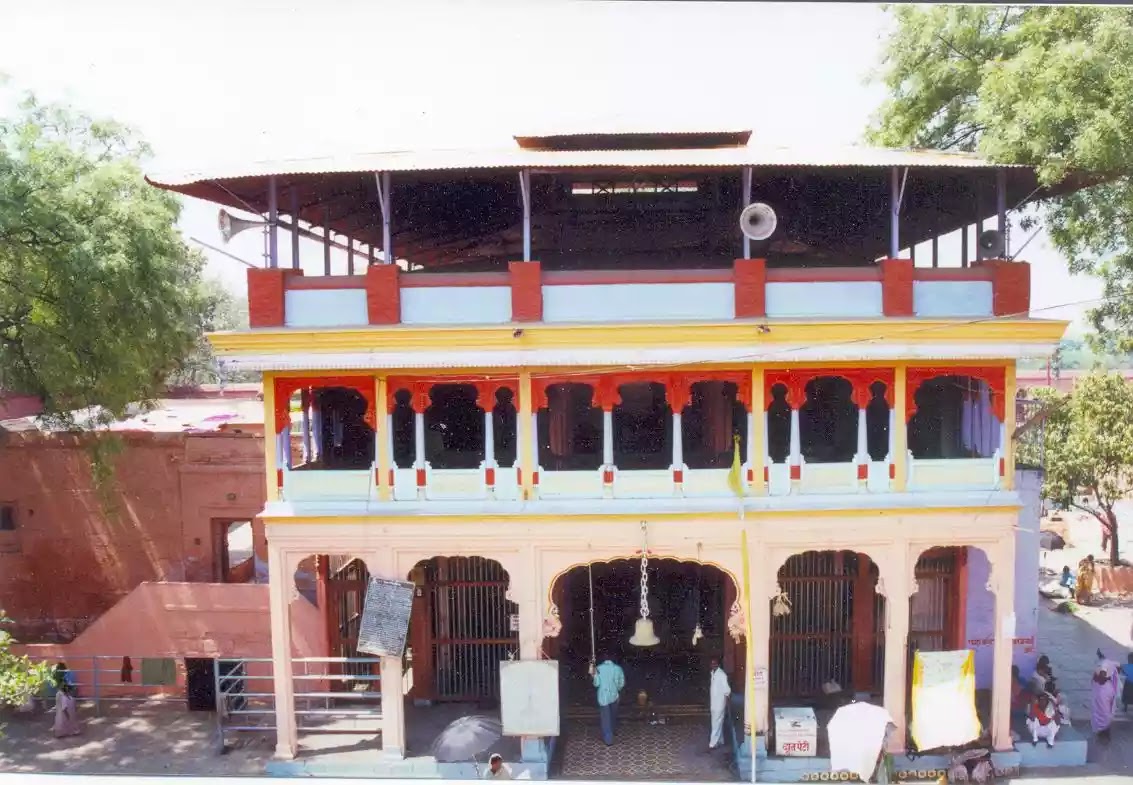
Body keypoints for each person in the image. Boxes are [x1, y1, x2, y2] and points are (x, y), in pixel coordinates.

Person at [592, 653, 625, 746]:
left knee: (605, 717)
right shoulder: (618, 668)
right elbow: (621, 683)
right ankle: (613, 729)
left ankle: (608, 740)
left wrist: (594, 675)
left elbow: (596, 684)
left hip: (603, 696)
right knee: (613, 714)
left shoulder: (598, 668)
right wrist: (616, 689)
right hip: (614, 695)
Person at [1091, 657, 1120, 740]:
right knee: (1106, 711)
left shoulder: (1104, 664)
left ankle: (1103, 731)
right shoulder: (1111, 663)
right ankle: (1105, 730)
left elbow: (1101, 679)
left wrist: (1097, 676)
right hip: (1107, 690)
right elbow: (1118, 668)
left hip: (1103, 691)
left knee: (1102, 711)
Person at [708, 658, 731, 751]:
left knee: (715, 724)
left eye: (715, 663)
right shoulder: (713, 673)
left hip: (719, 704)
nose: (713, 665)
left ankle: (712, 744)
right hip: (714, 703)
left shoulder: (722, 675)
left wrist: (726, 702)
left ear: (718, 664)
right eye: (712, 663)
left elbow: (727, 690)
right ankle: (720, 741)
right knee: (718, 722)